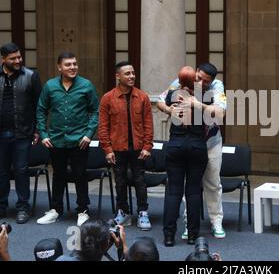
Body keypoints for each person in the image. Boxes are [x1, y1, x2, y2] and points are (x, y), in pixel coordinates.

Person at [157, 63, 227, 240]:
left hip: (210, 142)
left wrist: (197, 103)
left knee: (211, 183)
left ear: (211, 81)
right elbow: (160, 100)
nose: (201, 82)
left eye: (205, 81)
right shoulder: (180, 83)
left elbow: (220, 113)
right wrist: (169, 109)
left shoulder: (215, 88)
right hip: (193, 145)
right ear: (194, 74)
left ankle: (215, 220)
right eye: (198, 78)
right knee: (192, 189)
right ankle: (190, 227)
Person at [36, 52, 99, 227]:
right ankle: (56, 209)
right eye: (68, 65)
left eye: (74, 64)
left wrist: (88, 134)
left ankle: (82, 211)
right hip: (56, 139)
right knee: (58, 175)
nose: (72, 67)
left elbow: (95, 111)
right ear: (59, 67)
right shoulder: (50, 86)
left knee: (80, 174)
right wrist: (43, 133)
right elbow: (41, 110)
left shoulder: (86, 85)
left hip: (80, 139)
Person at [98, 61, 153, 231]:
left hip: (138, 148)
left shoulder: (142, 97)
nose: (131, 76)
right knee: (120, 181)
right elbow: (103, 126)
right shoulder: (108, 98)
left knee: (140, 180)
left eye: (133, 73)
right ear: (118, 76)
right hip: (117, 148)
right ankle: (123, 212)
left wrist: (147, 146)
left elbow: (148, 124)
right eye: (127, 74)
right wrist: (107, 149)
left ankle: (143, 212)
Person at [159, 66, 209, 247]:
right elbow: (217, 114)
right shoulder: (204, 95)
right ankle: (193, 236)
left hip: (176, 146)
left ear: (179, 81)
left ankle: (169, 236)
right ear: (195, 80)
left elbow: (159, 101)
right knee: (194, 192)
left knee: (173, 192)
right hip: (197, 146)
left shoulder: (173, 94)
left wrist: (168, 110)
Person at [0, 43, 42, 224]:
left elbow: (39, 106)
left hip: (22, 132)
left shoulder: (31, 76)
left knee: (21, 171)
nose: (18, 61)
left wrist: (38, 129)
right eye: (13, 58)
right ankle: (1, 206)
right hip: (0, 133)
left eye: (19, 57)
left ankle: (23, 207)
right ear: (3, 59)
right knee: (1, 172)